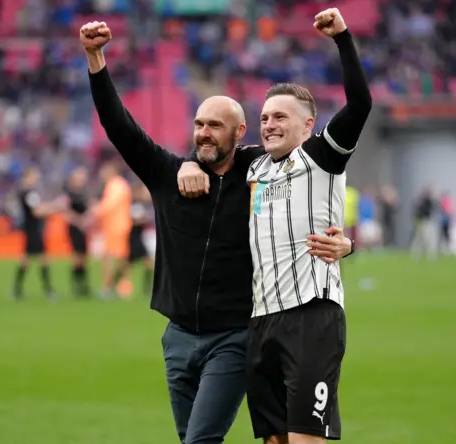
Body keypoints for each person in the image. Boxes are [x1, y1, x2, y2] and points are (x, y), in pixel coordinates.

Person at [79, 19, 354, 444]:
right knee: (192, 437)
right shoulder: (167, 173)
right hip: (177, 338)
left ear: (240, 133)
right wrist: (96, 60)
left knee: (200, 439)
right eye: (199, 125)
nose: (204, 133)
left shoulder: (261, 170)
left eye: (214, 126)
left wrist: (346, 242)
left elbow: (312, 182)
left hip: (233, 335)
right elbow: (119, 127)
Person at [178, 8, 371, 442]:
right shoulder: (255, 166)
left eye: (280, 117)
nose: (269, 124)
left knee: (306, 437)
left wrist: (341, 37)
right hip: (261, 321)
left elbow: (360, 103)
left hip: (311, 316)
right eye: (264, 118)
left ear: (308, 125)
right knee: (274, 439)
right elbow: (211, 146)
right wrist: (187, 164)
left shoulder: (322, 157)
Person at [12, 167, 61, 300]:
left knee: (27, 259)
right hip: (34, 230)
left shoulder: (28, 193)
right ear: (26, 178)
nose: (36, 179)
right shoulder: (30, 193)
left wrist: (51, 207)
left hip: (31, 229)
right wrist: (55, 207)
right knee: (41, 259)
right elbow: (37, 211)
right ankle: (48, 290)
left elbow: (39, 207)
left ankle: (17, 289)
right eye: (33, 176)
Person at [87, 161, 133, 298]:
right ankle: (121, 286)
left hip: (116, 226)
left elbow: (109, 205)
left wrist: (94, 211)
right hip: (118, 225)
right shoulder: (119, 184)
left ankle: (110, 286)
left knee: (111, 257)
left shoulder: (115, 185)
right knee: (118, 257)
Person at [63, 166, 91, 297]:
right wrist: (79, 221)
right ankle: (76, 285)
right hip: (74, 228)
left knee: (84, 257)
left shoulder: (84, 194)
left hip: (84, 228)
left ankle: (83, 285)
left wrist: (87, 220)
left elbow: (90, 209)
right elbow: (66, 213)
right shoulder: (68, 194)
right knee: (77, 257)